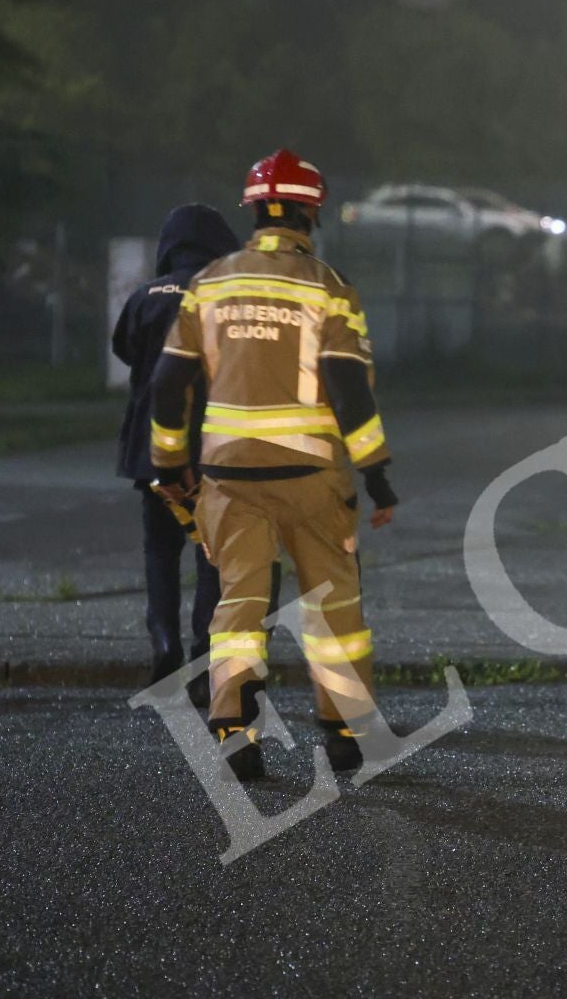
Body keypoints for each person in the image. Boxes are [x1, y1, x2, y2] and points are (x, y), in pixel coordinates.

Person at [148, 149, 400, 782]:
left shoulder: (210, 282)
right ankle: (343, 734)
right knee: (334, 607)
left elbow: (166, 382)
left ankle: (235, 732)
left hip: (228, 479)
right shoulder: (329, 287)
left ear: (256, 210)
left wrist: (169, 464)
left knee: (238, 607)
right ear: (311, 214)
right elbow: (348, 390)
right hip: (312, 478)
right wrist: (376, 472)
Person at [112, 203, 240, 699]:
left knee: (159, 551)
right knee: (212, 555)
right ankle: (204, 659)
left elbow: (124, 349)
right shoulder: (224, 296)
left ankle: (162, 643)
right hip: (210, 447)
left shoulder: (144, 296)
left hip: (150, 448)